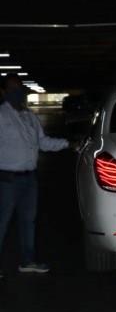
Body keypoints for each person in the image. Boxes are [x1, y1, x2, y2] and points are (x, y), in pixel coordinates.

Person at [0, 75, 70, 279]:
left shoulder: (30, 115)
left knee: (27, 221)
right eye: (12, 88)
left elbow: (43, 142)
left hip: (29, 179)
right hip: (7, 179)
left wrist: (68, 143)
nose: (17, 92)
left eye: (19, 88)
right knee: (2, 222)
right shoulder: (1, 115)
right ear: (3, 92)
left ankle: (28, 261)